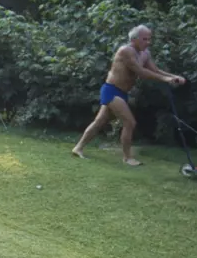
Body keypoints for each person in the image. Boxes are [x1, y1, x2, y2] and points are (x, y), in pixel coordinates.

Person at [71, 25, 186, 166]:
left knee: (99, 122)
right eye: (145, 39)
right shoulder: (126, 51)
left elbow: (155, 70)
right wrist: (166, 80)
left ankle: (78, 148)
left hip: (122, 93)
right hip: (111, 90)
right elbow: (141, 72)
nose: (148, 42)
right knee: (130, 122)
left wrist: (174, 76)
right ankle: (127, 158)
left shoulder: (145, 53)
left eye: (150, 39)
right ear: (134, 39)